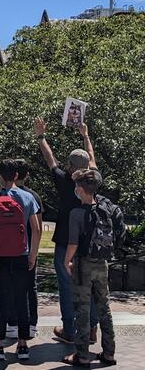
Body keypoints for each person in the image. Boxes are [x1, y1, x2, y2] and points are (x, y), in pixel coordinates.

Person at [34, 118, 99, 344]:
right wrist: (85, 135)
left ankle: (70, 330)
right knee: (89, 287)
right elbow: (92, 160)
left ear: (71, 166)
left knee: (65, 286)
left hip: (65, 242)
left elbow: (50, 159)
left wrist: (41, 136)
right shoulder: (93, 181)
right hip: (89, 242)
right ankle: (92, 329)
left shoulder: (65, 181)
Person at [0, 159, 40, 361]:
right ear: (16, 176)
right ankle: (23, 347)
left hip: (0, 257)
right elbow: (37, 229)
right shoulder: (28, 197)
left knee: (1, 301)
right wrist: (33, 254)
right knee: (22, 300)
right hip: (22, 255)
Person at [62, 169, 122, 367]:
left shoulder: (76, 213)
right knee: (104, 309)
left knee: (82, 310)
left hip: (83, 265)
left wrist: (66, 261)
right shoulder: (105, 208)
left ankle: (82, 355)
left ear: (79, 189)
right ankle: (109, 353)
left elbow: (73, 244)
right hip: (102, 264)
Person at [6, 159, 44, 339]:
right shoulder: (33, 197)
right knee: (31, 287)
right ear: (27, 175)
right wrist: (34, 254)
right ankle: (31, 324)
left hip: (10, 248)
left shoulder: (7, 194)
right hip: (29, 248)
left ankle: (12, 324)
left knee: (11, 287)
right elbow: (38, 228)